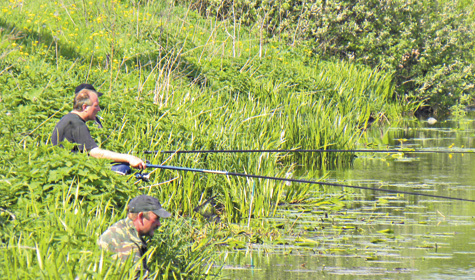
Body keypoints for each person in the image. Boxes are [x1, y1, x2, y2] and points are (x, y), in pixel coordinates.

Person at [51, 84, 146, 172]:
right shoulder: (76, 124)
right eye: (96, 106)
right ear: (85, 107)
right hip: (71, 171)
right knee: (123, 169)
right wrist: (129, 158)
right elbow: (96, 153)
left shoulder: (69, 119)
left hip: (67, 167)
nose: (99, 109)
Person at [98, 195, 172, 277]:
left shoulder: (123, 228)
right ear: (140, 217)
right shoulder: (127, 244)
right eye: (156, 218)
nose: (159, 224)